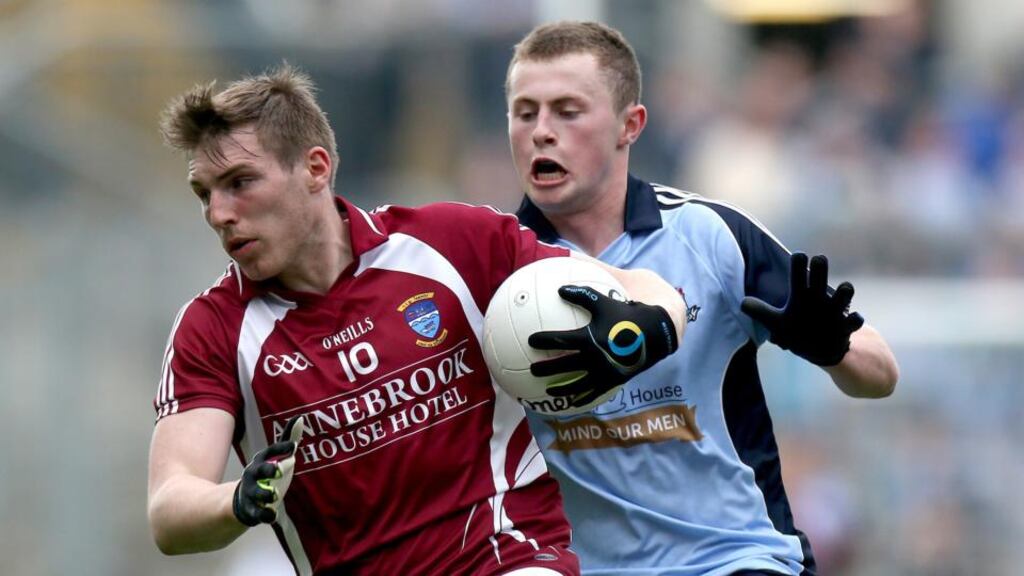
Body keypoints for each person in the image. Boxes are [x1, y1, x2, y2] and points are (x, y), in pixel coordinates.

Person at [146, 64, 686, 576]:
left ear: (315, 168)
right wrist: (235, 499)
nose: (218, 213)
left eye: (239, 182)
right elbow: (171, 508)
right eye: (205, 194)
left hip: (508, 556)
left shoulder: (449, 244)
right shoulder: (213, 329)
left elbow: (643, 289)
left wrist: (648, 330)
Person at [504, 21, 900, 576]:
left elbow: (881, 373)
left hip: (737, 558)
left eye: (567, 111)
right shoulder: (492, 267)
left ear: (629, 125)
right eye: (526, 112)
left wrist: (835, 348)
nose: (542, 131)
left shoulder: (711, 236)